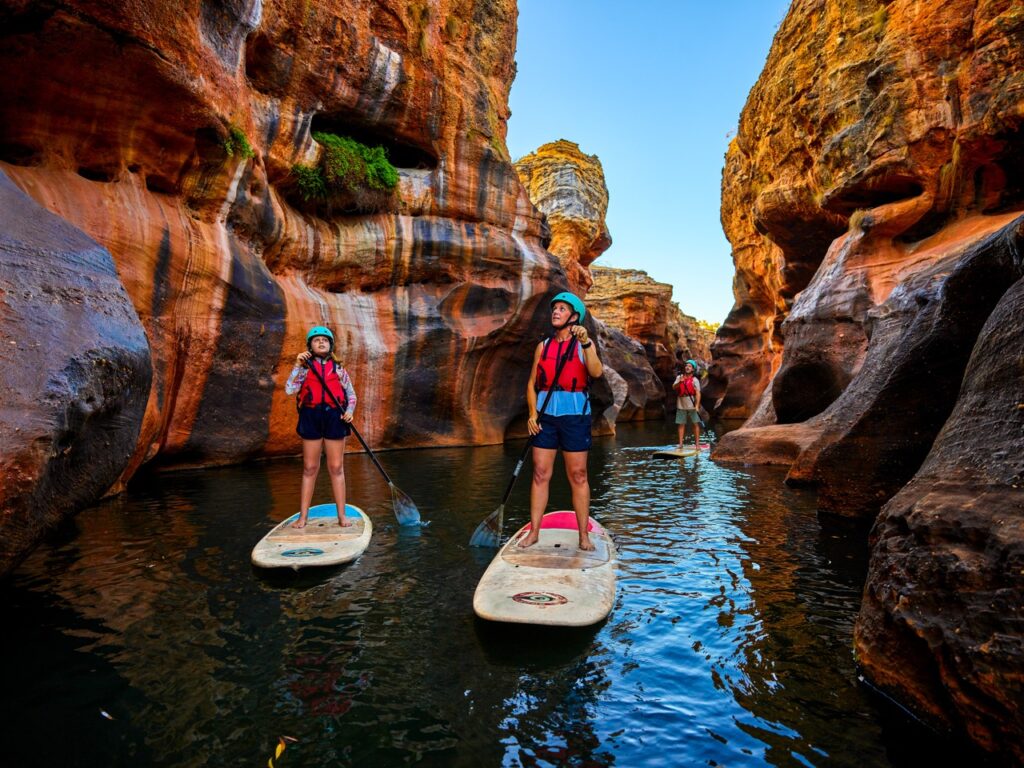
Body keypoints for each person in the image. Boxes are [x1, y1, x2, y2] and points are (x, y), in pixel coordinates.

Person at [519, 292, 604, 551]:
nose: (555, 311)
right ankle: (534, 532)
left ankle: (583, 536)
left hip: (575, 416)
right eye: (554, 308)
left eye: (562, 308)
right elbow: (532, 384)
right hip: (545, 417)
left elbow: (596, 372)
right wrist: (532, 414)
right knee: (540, 473)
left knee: (578, 475)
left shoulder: (582, 344)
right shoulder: (543, 346)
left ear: (574, 316)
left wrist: (587, 342)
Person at [284, 326, 357, 528]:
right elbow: (290, 389)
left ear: (330, 345)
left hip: (335, 417)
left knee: (336, 467)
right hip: (311, 417)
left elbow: (351, 395)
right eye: (316, 340)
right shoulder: (305, 368)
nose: (321, 342)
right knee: (310, 468)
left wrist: (349, 411)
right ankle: (303, 517)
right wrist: (297, 365)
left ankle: (342, 516)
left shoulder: (339, 369)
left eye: (325, 339)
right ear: (310, 346)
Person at [673, 359, 702, 450]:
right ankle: (681, 444)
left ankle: (697, 445)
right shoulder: (680, 377)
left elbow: (698, 393)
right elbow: (674, 387)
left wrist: (697, 405)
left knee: (695, 424)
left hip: (692, 404)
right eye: (686, 366)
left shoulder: (695, 380)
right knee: (681, 424)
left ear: (693, 369)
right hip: (681, 403)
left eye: (689, 366)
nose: (687, 367)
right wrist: (680, 382)